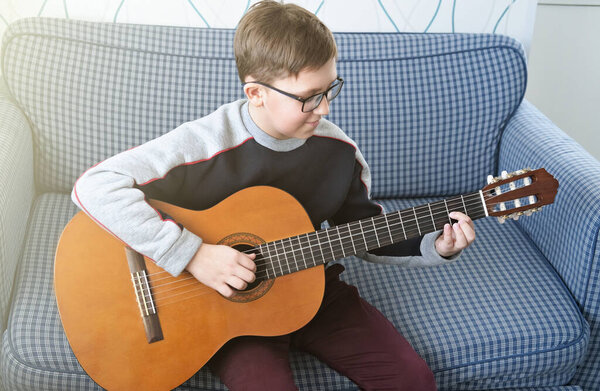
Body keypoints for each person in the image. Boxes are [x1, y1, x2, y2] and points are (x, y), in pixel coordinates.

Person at [72, 1, 475, 390]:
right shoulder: (205, 143)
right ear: (256, 93)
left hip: (315, 289)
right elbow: (95, 185)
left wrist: (434, 244)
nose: (325, 108)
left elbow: (364, 231)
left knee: (413, 380)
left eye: (330, 88)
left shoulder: (339, 154)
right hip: (224, 309)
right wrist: (192, 255)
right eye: (309, 97)